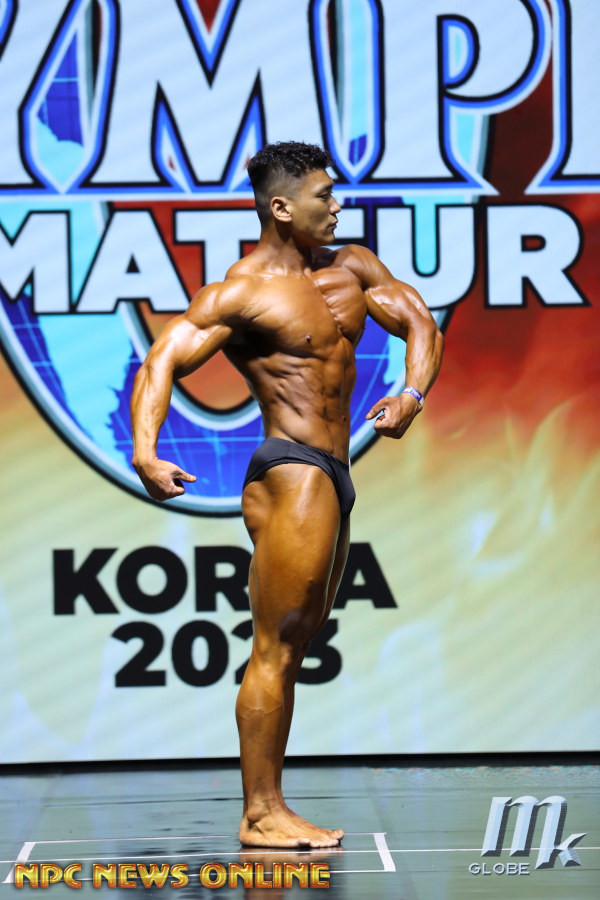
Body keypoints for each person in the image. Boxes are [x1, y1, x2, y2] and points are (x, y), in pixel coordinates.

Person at [130, 141, 443, 848]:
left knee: (296, 642)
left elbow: (420, 321)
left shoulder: (352, 267)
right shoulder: (243, 292)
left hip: (334, 471)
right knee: (275, 645)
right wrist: (146, 451)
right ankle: (260, 813)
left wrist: (412, 393)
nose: (337, 206)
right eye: (323, 196)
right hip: (292, 467)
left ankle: (270, 805)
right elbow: (163, 361)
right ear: (280, 207)